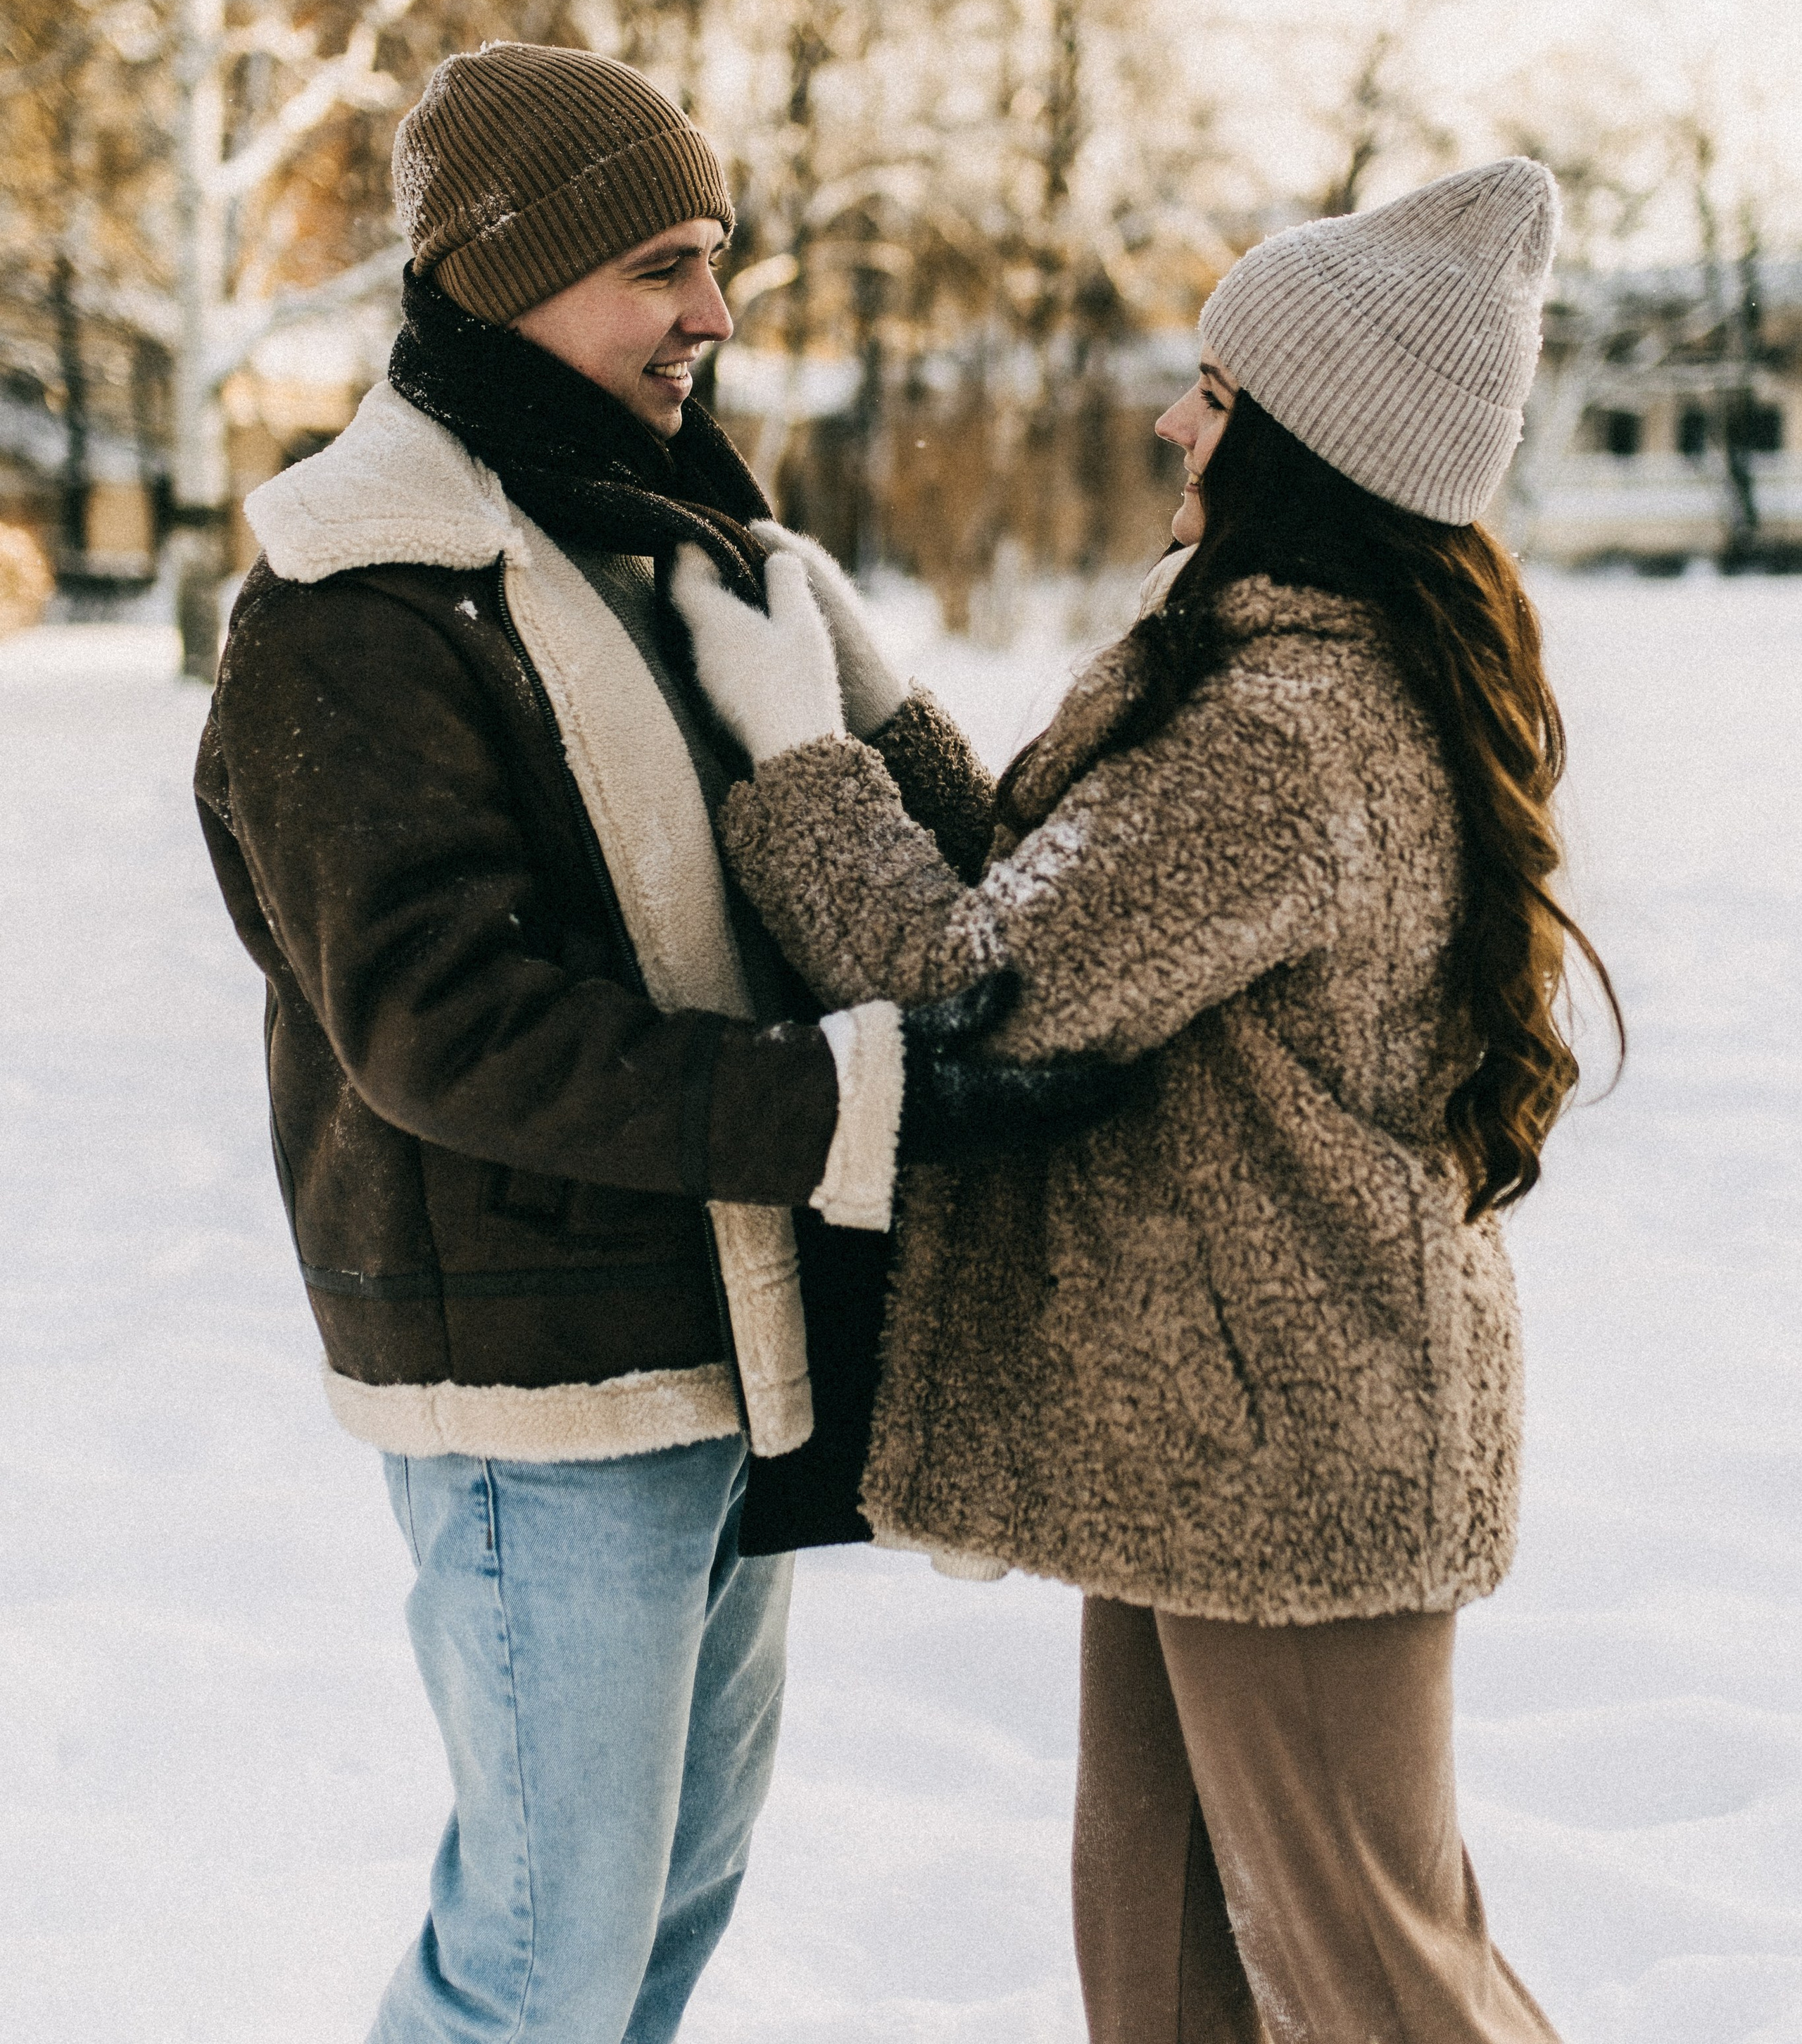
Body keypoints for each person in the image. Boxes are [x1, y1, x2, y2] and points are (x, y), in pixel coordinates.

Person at [194, 41, 1123, 2044]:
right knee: (538, 1957)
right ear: (503, 271)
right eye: (666, 266)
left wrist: (844, 711)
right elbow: (443, 1027)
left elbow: (938, 854)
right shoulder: (355, 601)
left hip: (721, 1339)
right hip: (540, 1387)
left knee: (662, 1926)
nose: (714, 314)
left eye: (721, 261)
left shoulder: (674, 544)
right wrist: (841, 1106)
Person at [674, 157, 1618, 2041]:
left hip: (1293, 1451)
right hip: (1218, 1438)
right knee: (1171, 1960)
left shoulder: (1293, 729)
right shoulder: (1287, 681)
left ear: (1303, 449)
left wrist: (792, 751)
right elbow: (1059, 886)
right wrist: (877, 711)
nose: (1175, 417)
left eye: (1218, 391)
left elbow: (979, 976)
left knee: (1372, 1973)